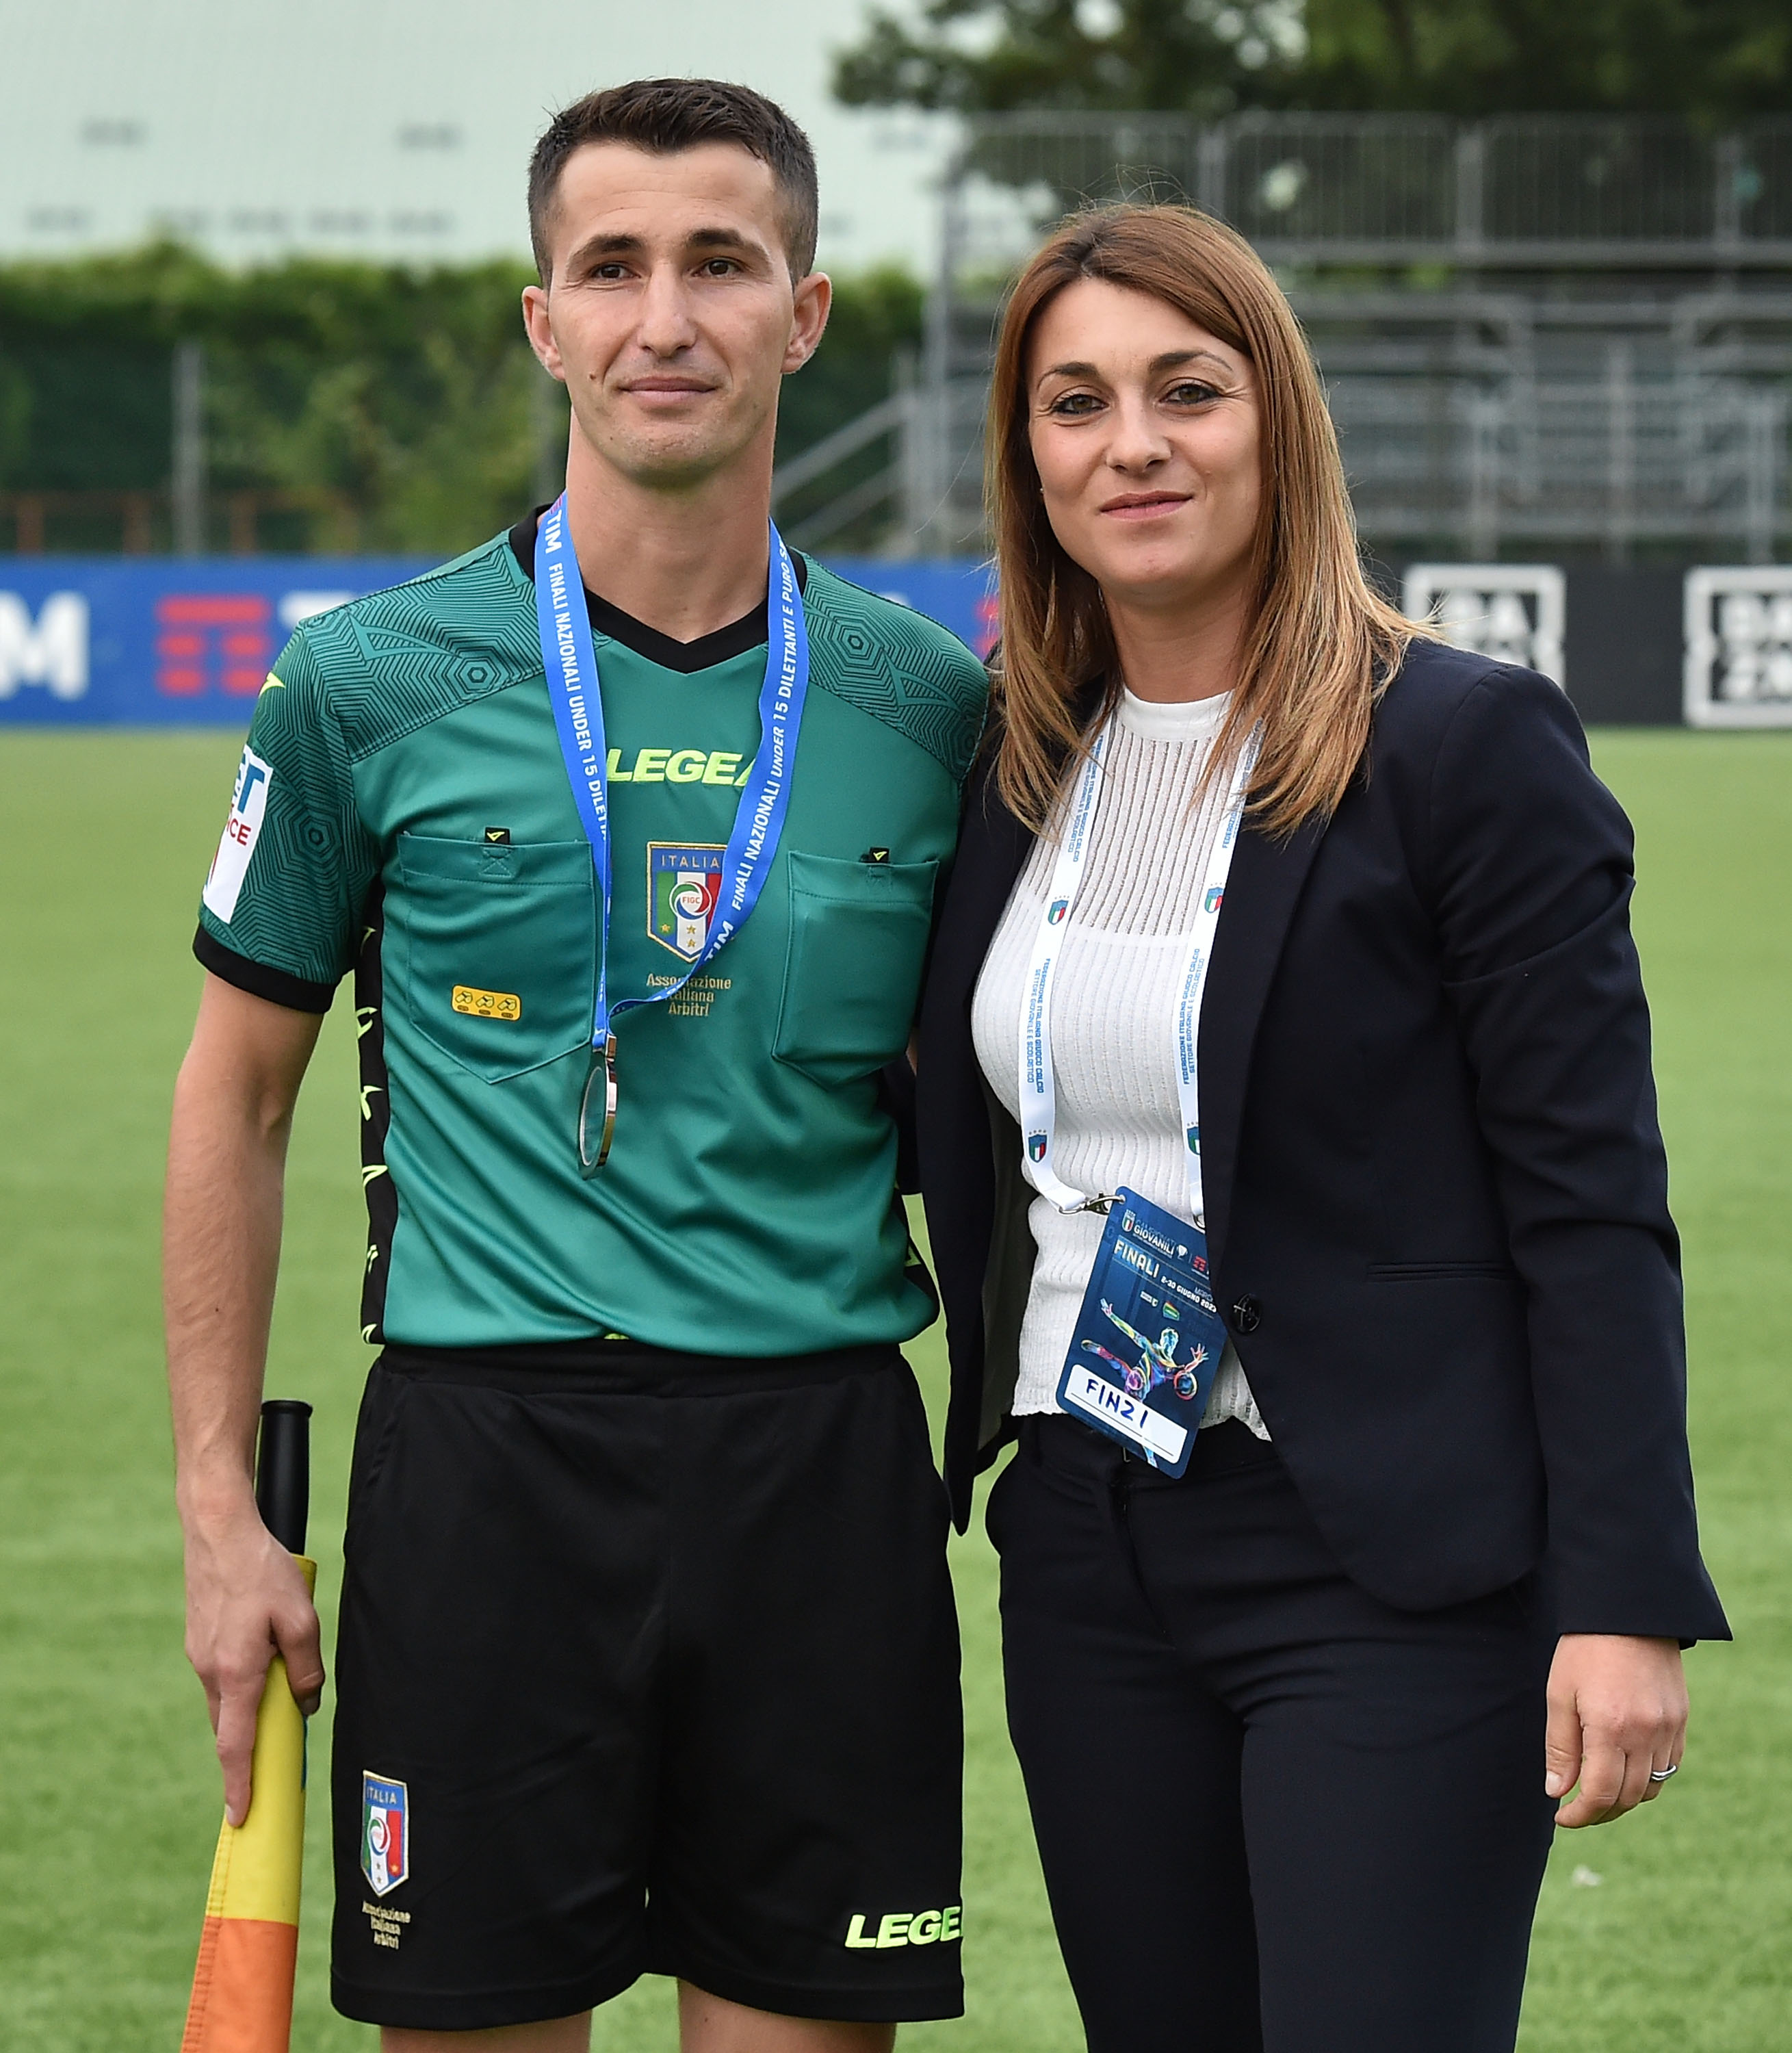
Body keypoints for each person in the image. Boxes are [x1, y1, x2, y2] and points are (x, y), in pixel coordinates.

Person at [165, 79, 987, 2053]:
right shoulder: (365, 681)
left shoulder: (932, 706)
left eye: (722, 263)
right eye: (610, 268)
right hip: (487, 1469)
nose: (664, 318)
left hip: (819, 1473)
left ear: (804, 313)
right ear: (545, 320)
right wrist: (218, 1511)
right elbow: (236, 1098)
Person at [913, 203, 1728, 2053]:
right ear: (1026, 457)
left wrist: (1624, 1600)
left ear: (1276, 418)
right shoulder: (1007, 765)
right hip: (1087, 1539)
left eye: (1186, 391)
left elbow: (1591, 1199)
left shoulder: (1459, 745)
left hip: (1385, 1556)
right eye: (1075, 403)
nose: (1132, 444)